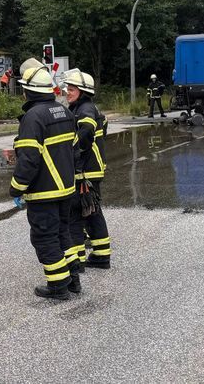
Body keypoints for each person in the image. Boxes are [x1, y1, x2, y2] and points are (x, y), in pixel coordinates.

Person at [10, 58, 78, 300]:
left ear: (28, 91)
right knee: (62, 233)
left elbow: (28, 159)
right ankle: (73, 280)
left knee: (44, 237)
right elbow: (74, 149)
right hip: (66, 189)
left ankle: (58, 286)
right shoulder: (64, 111)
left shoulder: (33, 117)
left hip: (44, 191)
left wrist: (16, 188)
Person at [64, 69, 112, 270]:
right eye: (68, 88)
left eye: (72, 89)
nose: (67, 92)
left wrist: (71, 154)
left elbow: (85, 133)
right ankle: (101, 255)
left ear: (82, 91)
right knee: (91, 212)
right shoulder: (82, 107)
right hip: (90, 170)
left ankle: (87, 258)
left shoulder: (85, 109)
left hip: (86, 172)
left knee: (83, 213)